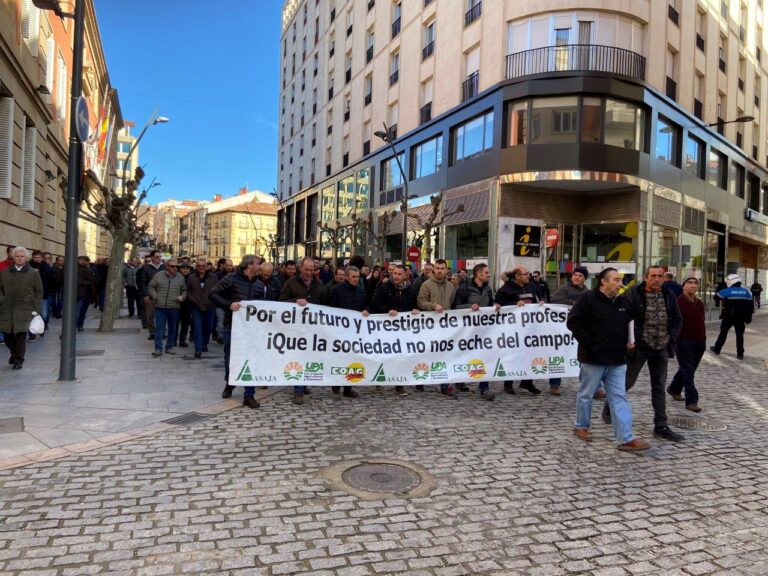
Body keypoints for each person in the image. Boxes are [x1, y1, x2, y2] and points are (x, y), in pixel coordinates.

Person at [567, 267, 650, 452]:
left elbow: (630, 322)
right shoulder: (587, 299)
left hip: (617, 360)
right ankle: (581, 426)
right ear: (604, 282)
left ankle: (626, 439)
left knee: (619, 397)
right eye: (616, 280)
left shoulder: (622, 301)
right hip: (592, 359)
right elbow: (573, 322)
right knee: (586, 395)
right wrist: (590, 343)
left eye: (620, 280)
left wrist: (630, 340)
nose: (620, 284)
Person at [603, 265, 684, 442]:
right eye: (653, 276)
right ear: (646, 277)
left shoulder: (668, 295)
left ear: (664, 278)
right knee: (627, 383)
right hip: (639, 348)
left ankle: (661, 425)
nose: (656, 279)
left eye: (660, 276)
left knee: (659, 388)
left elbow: (677, 319)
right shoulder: (634, 293)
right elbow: (624, 317)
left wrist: (671, 338)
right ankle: (609, 406)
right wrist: (633, 338)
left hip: (661, 348)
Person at [210, 255, 263, 409]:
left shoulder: (259, 285)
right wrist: (228, 305)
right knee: (231, 358)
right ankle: (230, 382)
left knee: (251, 359)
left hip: (251, 329)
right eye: (258, 263)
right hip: (232, 325)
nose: (260, 266)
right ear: (249, 265)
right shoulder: (231, 278)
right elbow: (213, 293)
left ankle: (249, 395)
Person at [551, 266, 603, 399]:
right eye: (575, 275)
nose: (577, 277)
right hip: (561, 329)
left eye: (580, 276)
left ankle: (594, 387)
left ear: (584, 279)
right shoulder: (564, 289)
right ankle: (555, 384)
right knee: (559, 355)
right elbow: (554, 302)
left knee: (586, 359)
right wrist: (572, 302)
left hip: (580, 331)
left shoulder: (587, 292)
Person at [279, 257, 324, 405]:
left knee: (309, 357)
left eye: (312, 270)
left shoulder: (318, 283)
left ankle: (303, 383)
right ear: (300, 268)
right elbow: (281, 301)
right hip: (296, 328)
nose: (309, 273)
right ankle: (298, 390)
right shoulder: (290, 283)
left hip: (313, 327)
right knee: (298, 356)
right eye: (307, 270)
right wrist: (295, 301)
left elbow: (324, 303)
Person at [495, 266, 544, 395]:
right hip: (513, 329)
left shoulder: (532, 287)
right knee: (512, 354)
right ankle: (508, 383)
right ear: (517, 276)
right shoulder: (505, 289)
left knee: (530, 354)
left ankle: (527, 381)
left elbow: (538, 299)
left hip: (530, 327)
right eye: (525, 274)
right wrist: (514, 304)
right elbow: (498, 306)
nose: (529, 276)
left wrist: (542, 303)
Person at [453, 263, 499, 401]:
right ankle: (459, 380)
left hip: (483, 330)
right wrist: (469, 307)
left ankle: (484, 387)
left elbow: (490, 302)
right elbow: (455, 307)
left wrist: (494, 305)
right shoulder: (464, 288)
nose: (488, 275)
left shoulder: (488, 289)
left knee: (484, 356)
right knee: (464, 355)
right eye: (486, 272)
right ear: (478, 273)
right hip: (466, 330)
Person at [372, 264, 417, 397]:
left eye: (399, 274)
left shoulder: (410, 289)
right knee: (384, 355)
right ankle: (378, 377)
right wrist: (387, 311)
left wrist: (415, 310)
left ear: (405, 275)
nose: (396, 276)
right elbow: (375, 304)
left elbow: (414, 304)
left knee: (401, 356)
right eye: (395, 273)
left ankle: (399, 385)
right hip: (386, 328)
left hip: (403, 329)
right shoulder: (384, 287)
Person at [417, 259, 458, 399]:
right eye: (438, 268)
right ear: (434, 269)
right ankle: (421, 379)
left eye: (443, 268)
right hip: (430, 326)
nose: (440, 271)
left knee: (446, 355)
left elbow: (452, 303)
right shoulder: (426, 284)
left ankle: (445, 385)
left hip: (446, 326)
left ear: (447, 270)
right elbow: (421, 302)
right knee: (428, 354)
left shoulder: (451, 286)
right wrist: (433, 306)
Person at [329, 266, 369, 399]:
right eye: (353, 277)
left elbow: (368, 305)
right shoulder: (336, 291)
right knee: (339, 359)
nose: (356, 279)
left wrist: (367, 310)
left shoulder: (361, 291)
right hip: (339, 332)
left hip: (355, 332)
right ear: (346, 277)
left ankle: (348, 388)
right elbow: (331, 310)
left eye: (358, 277)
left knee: (352, 359)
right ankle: (336, 382)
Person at [0, 247, 43, 370]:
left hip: (25, 308)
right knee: (7, 335)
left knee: (21, 334)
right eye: (17, 256)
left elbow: (39, 291)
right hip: (6, 308)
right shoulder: (4, 272)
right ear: (13, 257)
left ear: (26, 258)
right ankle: (14, 354)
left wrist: (35, 308)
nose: (19, 258)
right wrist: (2, 300)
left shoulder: (33, 273)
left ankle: (18, 360)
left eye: (22, 256)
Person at [667, 277, 706, 413]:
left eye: (695, 283)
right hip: (683, 341)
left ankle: (674, 388)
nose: (693, 285)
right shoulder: (678, 302)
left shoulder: (699, 303)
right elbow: (673, 322)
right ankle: (692, 400)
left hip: (699, 341)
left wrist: (703, 338)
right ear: (683, 286)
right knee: (688, 370)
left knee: (688, 369)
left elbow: (701, 322)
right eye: (689, 283)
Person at [148, 259, 187, 357]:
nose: (175, 268)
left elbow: (184, 290)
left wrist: (182, 297)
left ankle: (169, 347)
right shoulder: (159, 275)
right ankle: (158, 348)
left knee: (173, 329)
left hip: (174, 307)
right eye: (172, 266)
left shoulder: (180, 277)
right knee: (159, 329)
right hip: (160, 307)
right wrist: (155, 297)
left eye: (176, 267)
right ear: (167, 266)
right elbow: (151, 287)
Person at [710, 273, 753, 360]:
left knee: (723, 333)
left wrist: (721, 288)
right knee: (739, 335)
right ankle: (740, 354)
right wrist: (749, 318)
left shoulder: (727, 291)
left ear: (730, 282)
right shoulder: (746, 291)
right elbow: (750, 307)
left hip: (728, 316)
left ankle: (717, 349)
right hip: (741, 316)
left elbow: (716, 297)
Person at [186, 258, 218, 359]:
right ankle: (198, 349)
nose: (201, 268)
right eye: (199, 266)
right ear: (196, 267)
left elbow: (217, 290)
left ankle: (204, 344)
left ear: (206, 267)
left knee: (208, 327)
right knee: (197, 328)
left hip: (210, 306)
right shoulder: (192, 277)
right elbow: (188, 291)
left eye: (203, 266)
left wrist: (212, 299)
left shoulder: (213, 277)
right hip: (196, 307)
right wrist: (193, 299)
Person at [140, 250, 165, 340]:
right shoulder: (146, 267)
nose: (159, 259)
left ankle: (162, 332)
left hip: (162, 296)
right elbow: (142, 282)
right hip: (150, 296)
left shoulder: (164, 267)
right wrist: (145, 294)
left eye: (160, 257)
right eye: (157, 257)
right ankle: (152, 332)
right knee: (150, 315)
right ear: (152, 258)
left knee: (162, 315)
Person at [28, 250, 52, 337]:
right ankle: (32, 334)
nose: (37, 259)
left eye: (39, 257)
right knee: (31, 314)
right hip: (31, 294)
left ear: (41, 258)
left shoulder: (46, 267)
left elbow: (50, 279)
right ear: (32, 257)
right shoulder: (28, 266)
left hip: (43, 294)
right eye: (35, 257)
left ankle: (41, 327)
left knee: (44, 314)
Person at [175, 262, 194, 347]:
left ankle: (182, 340)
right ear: (180, 269)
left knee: (185, 323)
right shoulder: (176, 277)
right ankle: (173, 339)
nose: (185, 270)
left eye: (187, 268)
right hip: (177, 303)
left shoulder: (192, 278)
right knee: (175, 322)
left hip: (188, 304)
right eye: (183, 268)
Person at [76, 256, 97, 331]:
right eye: (80, 260)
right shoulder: (77, 269)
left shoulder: (90, 269)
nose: (81, 261)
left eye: (83, 260)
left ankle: (79, 324)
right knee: (80, 310)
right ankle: (77, 324)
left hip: (87, 292)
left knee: (82, 309)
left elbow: (94, 280)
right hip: (80, 291)